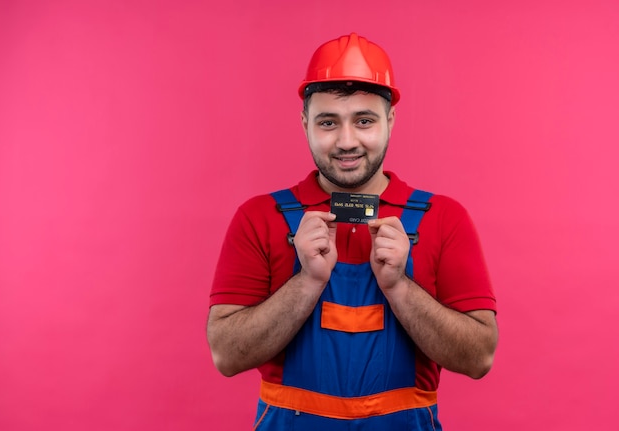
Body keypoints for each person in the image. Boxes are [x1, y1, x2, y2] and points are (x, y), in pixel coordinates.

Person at [207, 33, 498, 430]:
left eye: (364, 121)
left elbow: (479, 358)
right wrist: (307, 281)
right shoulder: (260, 217)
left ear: (390, 121)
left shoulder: (443, 217)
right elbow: (226, 356)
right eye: (328, 122)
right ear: (305, 122)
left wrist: (399, 287)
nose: (347, 142)